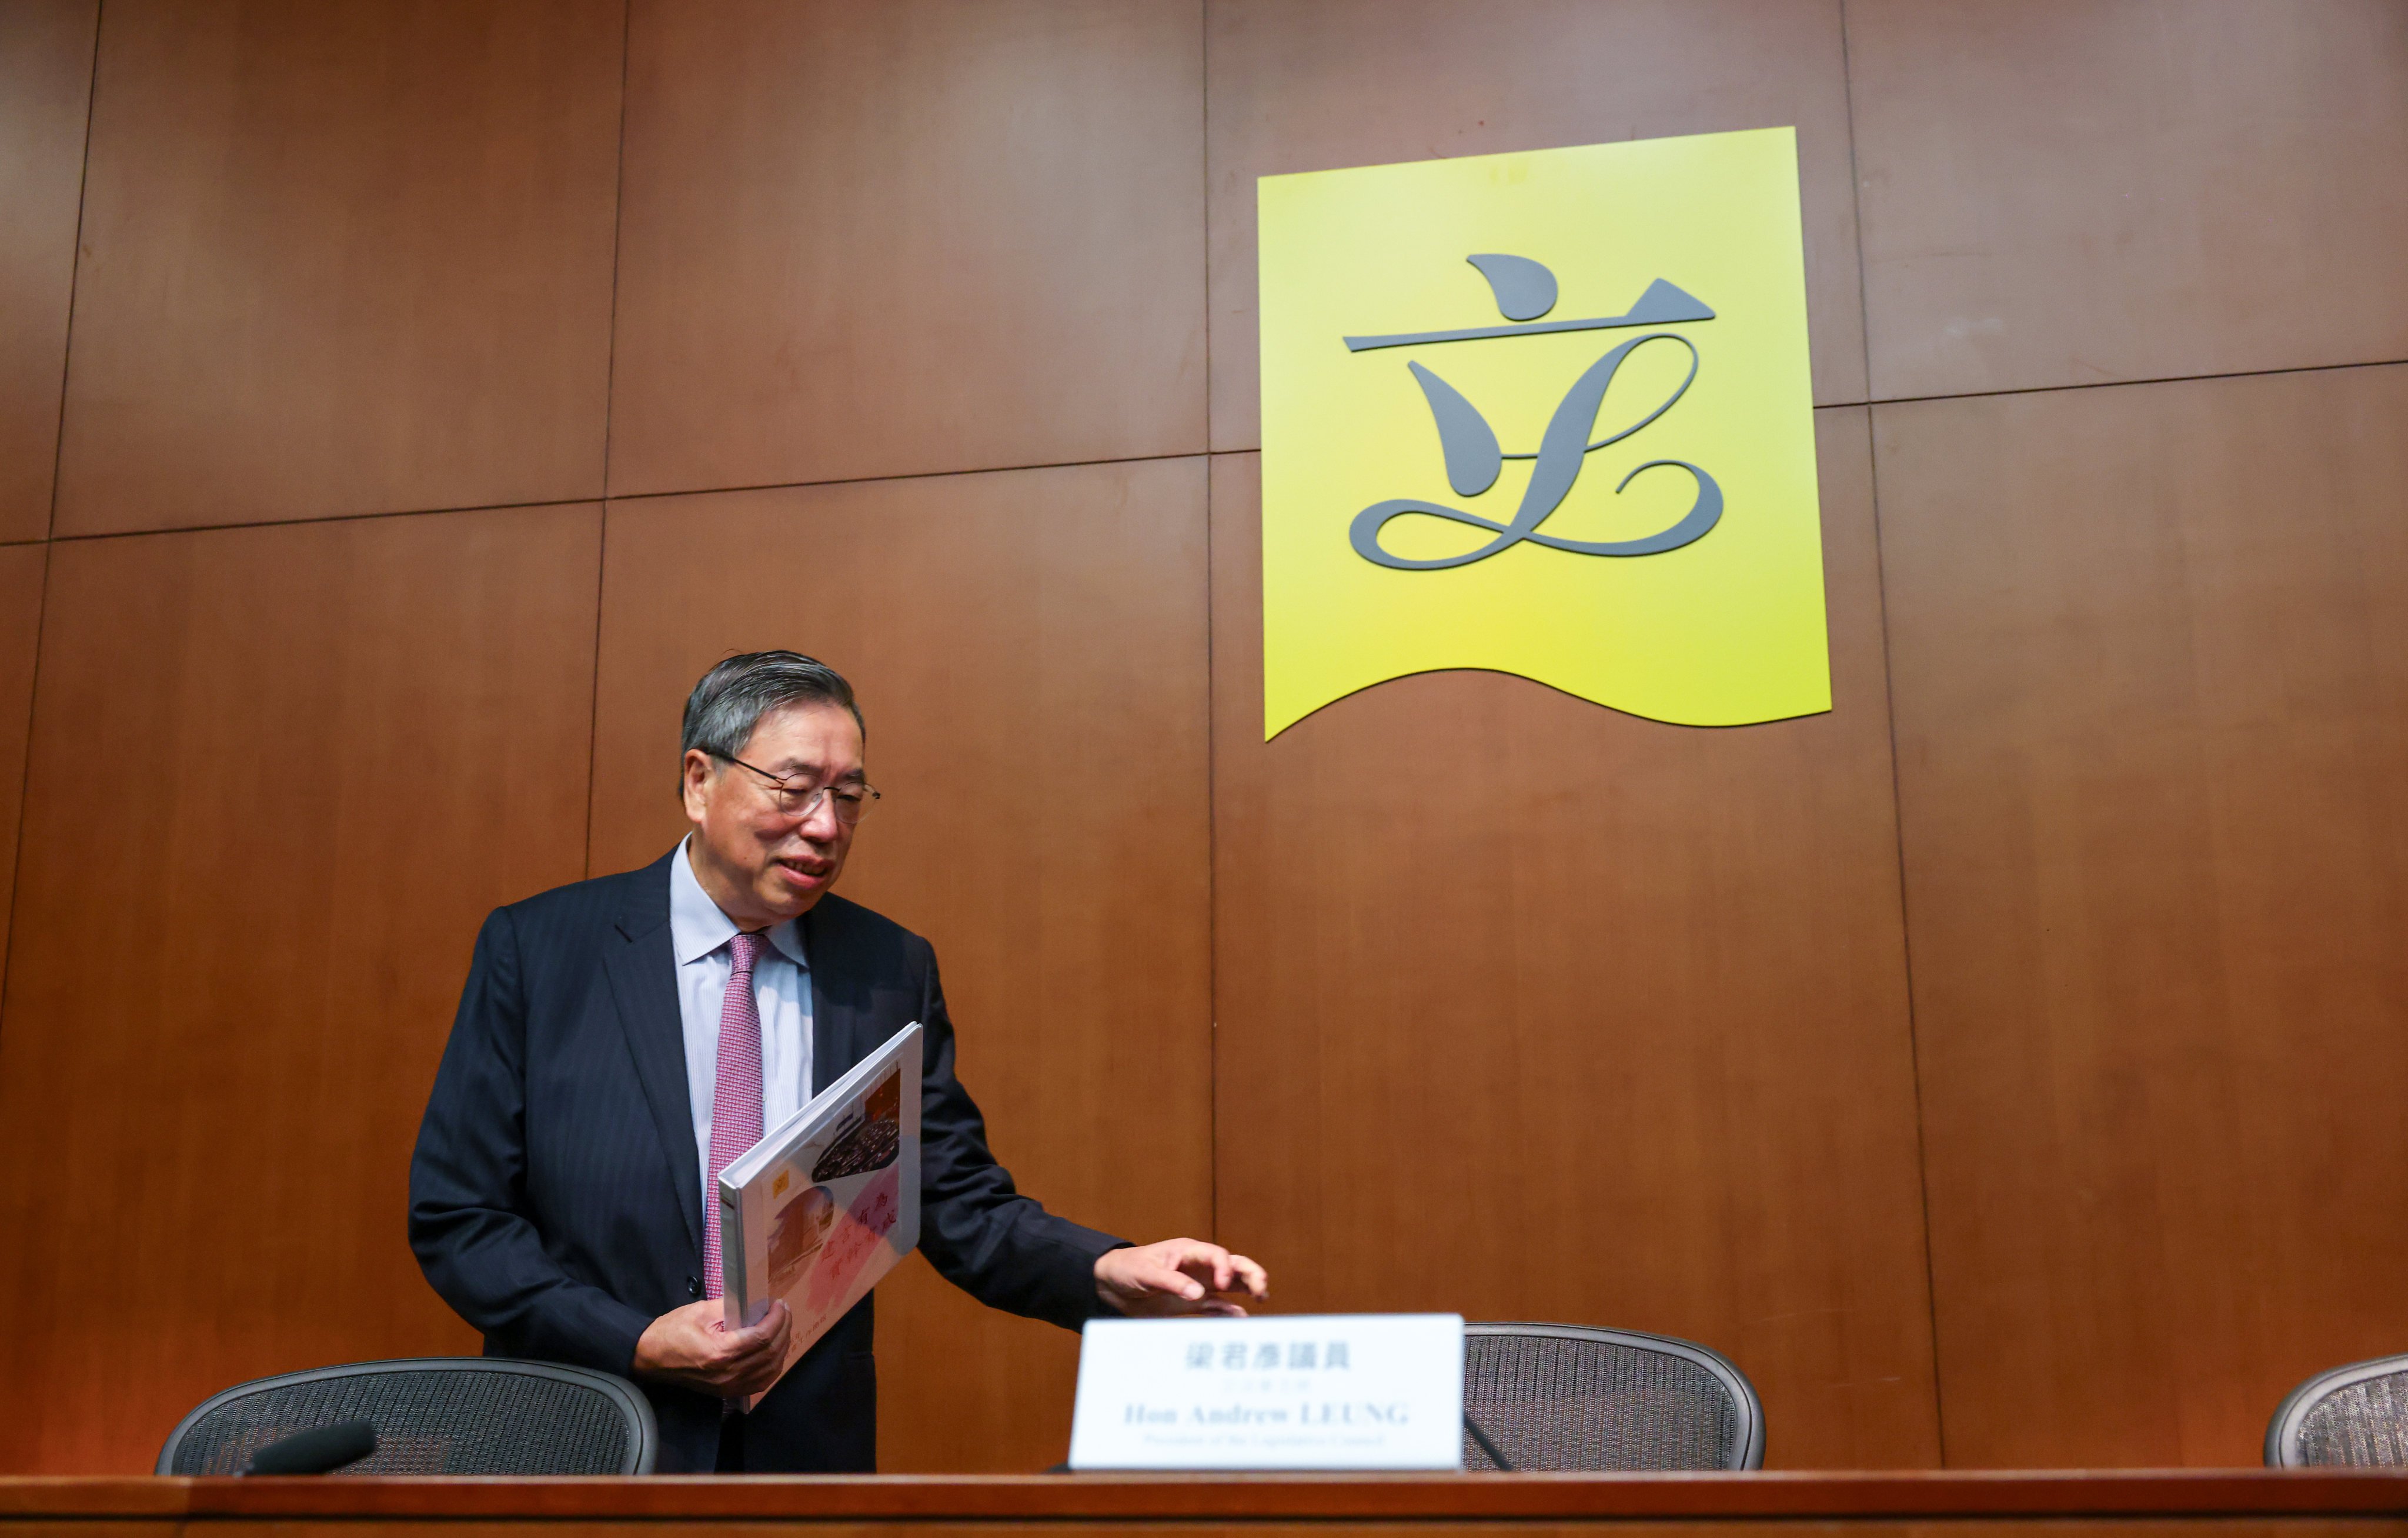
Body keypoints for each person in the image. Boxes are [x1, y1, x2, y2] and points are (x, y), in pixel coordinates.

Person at [409, 652, 1267, 1472]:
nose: (825, 826)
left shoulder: (886, 968)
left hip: (804, 1460)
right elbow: (461, 1219)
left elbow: (952, 1198)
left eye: (849, 796)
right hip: (589, 1443)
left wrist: (1101, 1268)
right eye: (794, 789)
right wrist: (632, 1339)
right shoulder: (543, 950)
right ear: (698, 781)